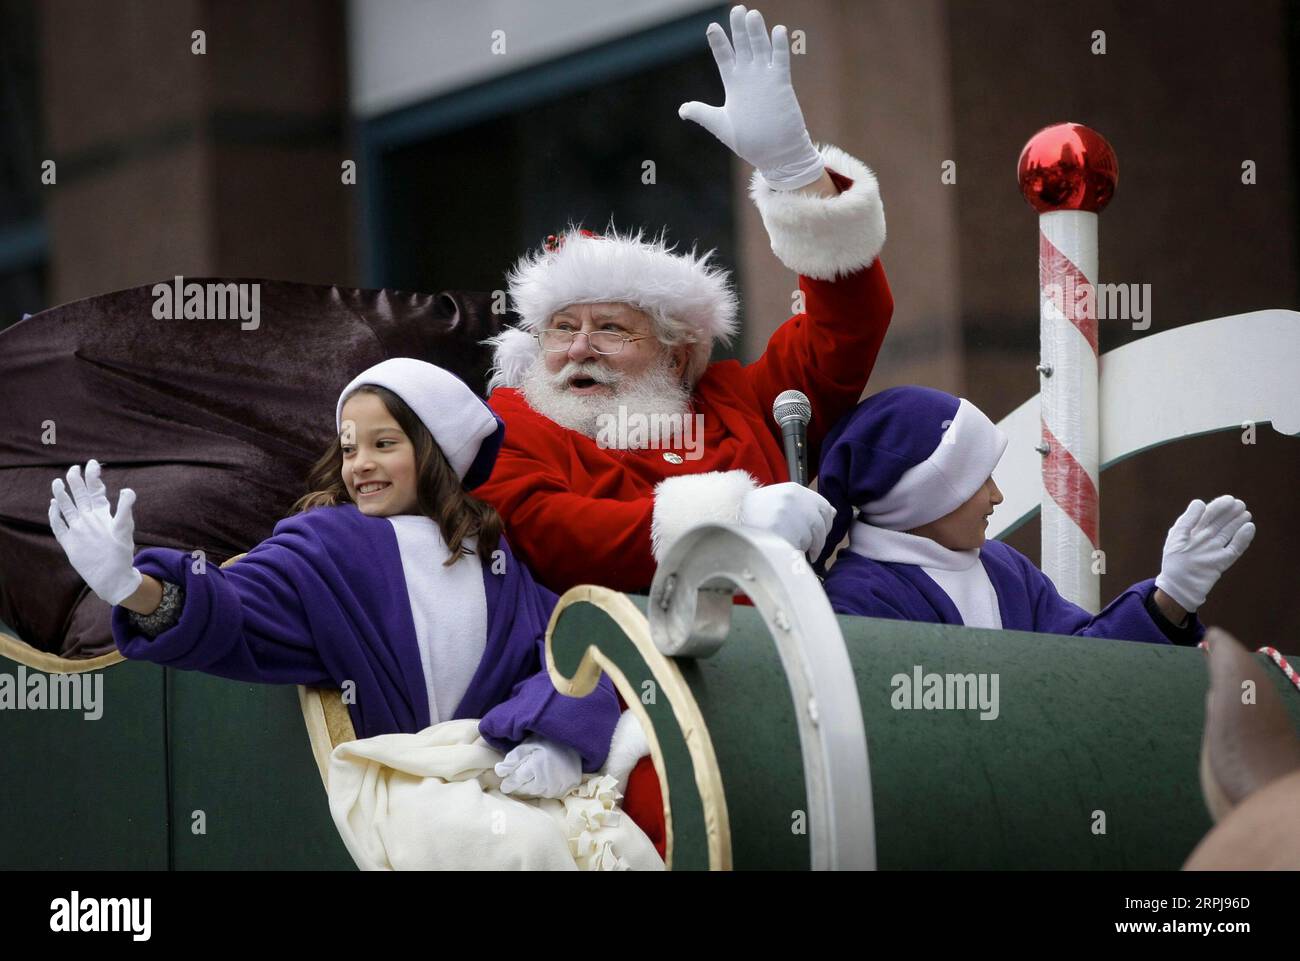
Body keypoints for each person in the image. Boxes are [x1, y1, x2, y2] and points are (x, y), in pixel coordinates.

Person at [47, 358, 621, 800]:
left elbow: (567, 657)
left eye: (383, 444)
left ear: (436, 454)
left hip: (502, 796)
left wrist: (555, 738)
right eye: (349, 449)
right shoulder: (322, 546)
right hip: (388, 813)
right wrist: (131, 588)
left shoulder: (498, 563)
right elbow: (237, 607)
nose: (359, 464)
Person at [476, 4, 894, 596]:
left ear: (676, 356)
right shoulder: (511, 425)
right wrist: (728, 526)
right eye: (561, 327)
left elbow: (850, 325)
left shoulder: (743, 403)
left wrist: (798, 173)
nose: (579, 348)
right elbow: (546, 532)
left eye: (612, 329)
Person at [816, 386, 1256, 643]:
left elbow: (1083, 674)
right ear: (919, 501)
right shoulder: (858, 600)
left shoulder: (1005, 567)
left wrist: (1170, 597)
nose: (997, 496)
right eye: (977, 482)